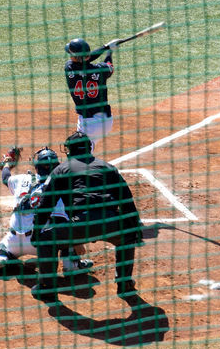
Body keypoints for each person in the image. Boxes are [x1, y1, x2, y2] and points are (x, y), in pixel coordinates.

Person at [29, 131, 146, 310]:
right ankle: (125, 284)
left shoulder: (61, 170)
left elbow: (46, 205)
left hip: (81, 224)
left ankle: (47, 288)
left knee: (46, 241)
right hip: (112, 222)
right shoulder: (107, 167)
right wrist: (135, 228)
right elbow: (127, 200)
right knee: (127, 237)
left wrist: (37, 232)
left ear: (70, 150)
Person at [0, 147, 93, 275]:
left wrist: (7, 165)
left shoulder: (21, 180)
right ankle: (71, 263)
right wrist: (77, 241)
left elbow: (5, 178)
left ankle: (2, 255)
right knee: (68, 224)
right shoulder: (63, 185)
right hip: (43, 245)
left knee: (3, 245)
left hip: (15, 240)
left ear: (36, 167)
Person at [64, 37, 118, 143]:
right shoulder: (101, 69)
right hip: (106, 122)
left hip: (87, 124)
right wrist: (109, 51)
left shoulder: (69, 68)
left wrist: (105, 47)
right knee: (88, 150)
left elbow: (83, 60)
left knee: (78, 153)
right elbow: (109, 66)